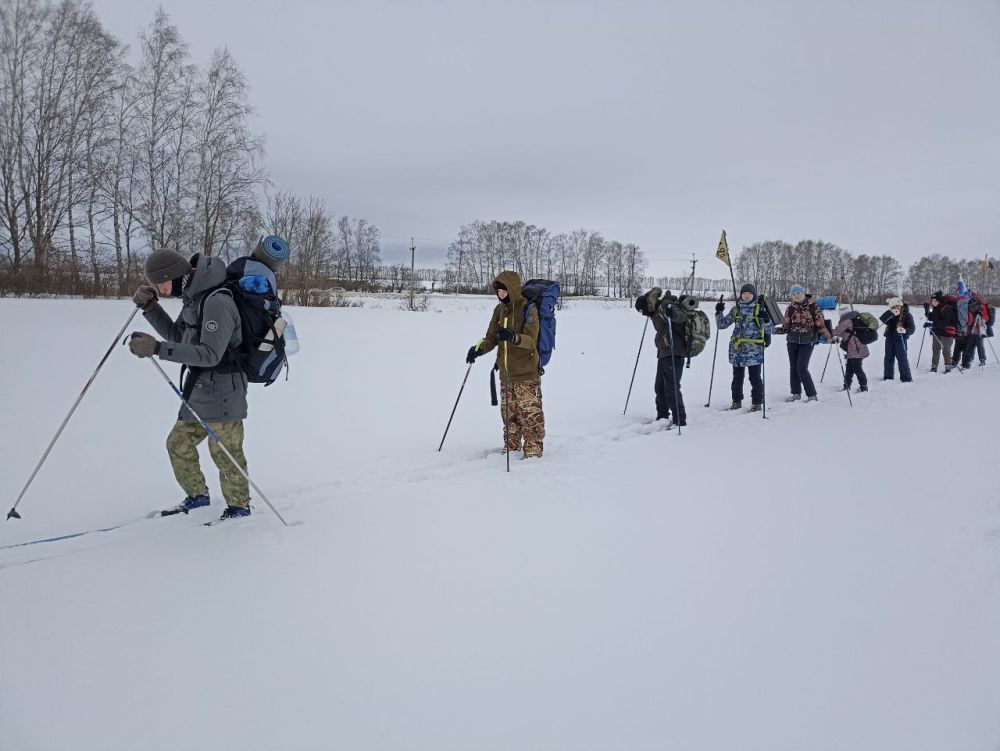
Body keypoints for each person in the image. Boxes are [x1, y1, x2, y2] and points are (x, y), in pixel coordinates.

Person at [129, 249, 252, 522]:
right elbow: (179, 337)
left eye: (160, 284)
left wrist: (157, 349)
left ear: (173, 276)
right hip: (199, 390)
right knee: (178, 443)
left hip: (224, 392)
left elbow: (210, 354)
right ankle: (198, 496)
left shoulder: (217, 302)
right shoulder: (193, 297)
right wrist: (151, 309)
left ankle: (239, 509)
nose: (159, 289)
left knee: (226, 455)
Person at [466, 271, 546, 457]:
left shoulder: (528, 309)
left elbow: (530, 341)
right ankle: (511, 446)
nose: (501, 294)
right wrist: (478, 350)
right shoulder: (499, 311)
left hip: (526, 373)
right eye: (498, 292)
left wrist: (513, 337)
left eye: (504, 291)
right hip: (506, 373)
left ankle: (533, 450)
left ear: (512, 289)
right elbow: (492, 337)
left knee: (530, 415)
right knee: (509, 415)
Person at [715, 283, 774, 412]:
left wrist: (765, 319)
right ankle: (736, 401)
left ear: (754, 295)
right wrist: (719, 312)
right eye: (744, 294)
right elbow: (721, 325)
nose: (746, 296)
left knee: (755, 378)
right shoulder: (736, 309)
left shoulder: (759, 309)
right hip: (737, 351)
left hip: (754, 351)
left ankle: (757, 402)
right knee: (737, 378)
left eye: (749, 294)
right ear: (741, 295)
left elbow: (771, 329)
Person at [634, 287, 688, 426]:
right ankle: (662, 416)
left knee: (671, 388)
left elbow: (682, 317)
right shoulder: (654, 311)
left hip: (674, 352)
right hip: (664, 352)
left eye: (641, 311)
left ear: (646, 305)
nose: (643, 314)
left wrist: (672, 312)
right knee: (660, 387)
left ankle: (680, 420)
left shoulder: (665, 305)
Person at [778, 285, 827, 402]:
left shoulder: (813, 307)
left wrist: (828, 337)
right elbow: (786, 326)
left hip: (807, 341)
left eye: (798, 293)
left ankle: (812, 395)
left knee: (802, 368)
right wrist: (773, 330)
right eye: (793, 294)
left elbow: (820, 324)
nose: (796, 296)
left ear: (804, 293)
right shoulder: (790, 308)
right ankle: (796, 393)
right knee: (793, 367)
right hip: (792, 341)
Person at [830, 313, 870, 392]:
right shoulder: (855, 320)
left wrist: (826, 329)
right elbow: (845, 333)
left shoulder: (847, 321)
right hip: (857, 348)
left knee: (857, 368)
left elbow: (837, 331)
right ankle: (847, 386)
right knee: (850, 369)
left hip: (855, 349)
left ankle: (863, 387)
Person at [881, 297, 915, 382]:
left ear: (901, 305)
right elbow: (883, 319)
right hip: (890, 338)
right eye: (894, 307)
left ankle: (906, 378)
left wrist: (905, 330)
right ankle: (888, 377)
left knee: (902, 358)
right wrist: (890, 313)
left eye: (898, 306)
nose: (896, 308)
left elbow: (912, 328)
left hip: (901, 339)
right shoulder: (891, 315)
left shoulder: (907, 315)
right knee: (888, 358)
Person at [922, 291, 956, 373]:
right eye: (932, 301)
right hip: (937, 331)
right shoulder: (936, 308)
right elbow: (932, 318)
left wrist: (932, 324)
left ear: (939, 300)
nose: (933, 302)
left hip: (947, 332)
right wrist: (926, 310)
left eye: (935, 300)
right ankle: (934, 366)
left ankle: (948, 366)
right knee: (935, 349)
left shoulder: (947, 308)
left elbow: (945, 321)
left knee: (946, 350)